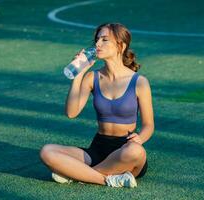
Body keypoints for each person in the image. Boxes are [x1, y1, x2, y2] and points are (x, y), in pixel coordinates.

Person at [40, 23, 154, 188]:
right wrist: (78, 75)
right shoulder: (92, 77)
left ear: (120, 46)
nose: (97, 44)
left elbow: (149, 125)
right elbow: (71, 113)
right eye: (97, 40)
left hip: (125, 149)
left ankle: (79, 174)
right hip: (98, 148)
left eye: (104, 40)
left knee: (136, 151)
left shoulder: (139, 82)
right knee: (47, 152)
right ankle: (107, 179)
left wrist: (140, 138)